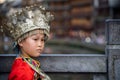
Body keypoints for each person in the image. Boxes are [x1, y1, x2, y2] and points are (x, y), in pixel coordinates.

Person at [2, 4, 54, 80]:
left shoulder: (26, 64)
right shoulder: (22, 71)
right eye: (35, 39)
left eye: (42, 40)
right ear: (20, 42)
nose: (40, 44)